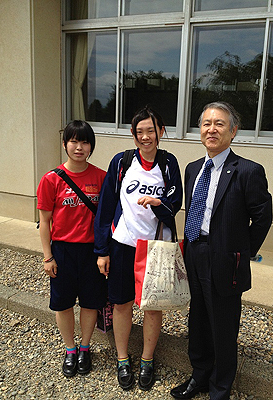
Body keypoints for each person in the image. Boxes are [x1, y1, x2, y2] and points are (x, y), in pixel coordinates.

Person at [171, 102, 272, 400]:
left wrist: (241, 252)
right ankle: (199, 376)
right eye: (206, 123)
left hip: (226, 260)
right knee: (198, 319)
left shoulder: (248, 171)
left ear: (233, 130)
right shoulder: (192, 169)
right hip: (195, 252)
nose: (211, 129)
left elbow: (263, 217)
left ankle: (220, 388)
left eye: (219, 124)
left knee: (223, 327)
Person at [94, 106, 183, 391]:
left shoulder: (169, 163)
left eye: (151, 130)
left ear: (161, 131)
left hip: (155, 246)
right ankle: (122, 359)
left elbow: (175, 202)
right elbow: (106, 206)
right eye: (140, 131)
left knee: (153, 306)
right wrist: (102, 250)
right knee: (120, 303)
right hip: (123, 244)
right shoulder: (121, 162)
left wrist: (160, 205)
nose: (146, 137)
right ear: (133, 135)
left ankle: (147, 360)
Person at [37, 120, 107, 377]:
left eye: (85, 141)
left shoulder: (102, 177)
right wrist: (48, 257)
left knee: (90, 303)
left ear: (91, 146)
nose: (79, 147)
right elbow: (44, 222)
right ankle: (70, 349)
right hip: (63, 251)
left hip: (92, 252)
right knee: (63, 303)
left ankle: (85, 347)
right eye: (74, 141)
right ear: (65, 144)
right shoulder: (51, 179)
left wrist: (105, 252)